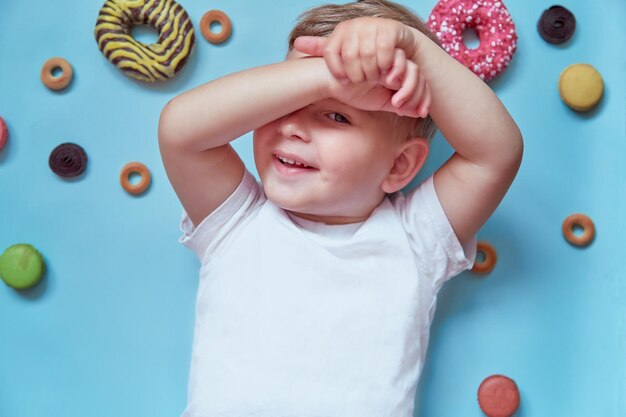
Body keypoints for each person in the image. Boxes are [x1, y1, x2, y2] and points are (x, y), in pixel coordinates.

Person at [158, 0, 523, 415]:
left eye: (335, 115)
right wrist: (326, 77)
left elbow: (496, 154)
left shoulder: (415, 241)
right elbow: (179, 131)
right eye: (284, 101)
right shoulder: (236, 223)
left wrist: (415, 48)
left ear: (400, 164)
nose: (291, 126)